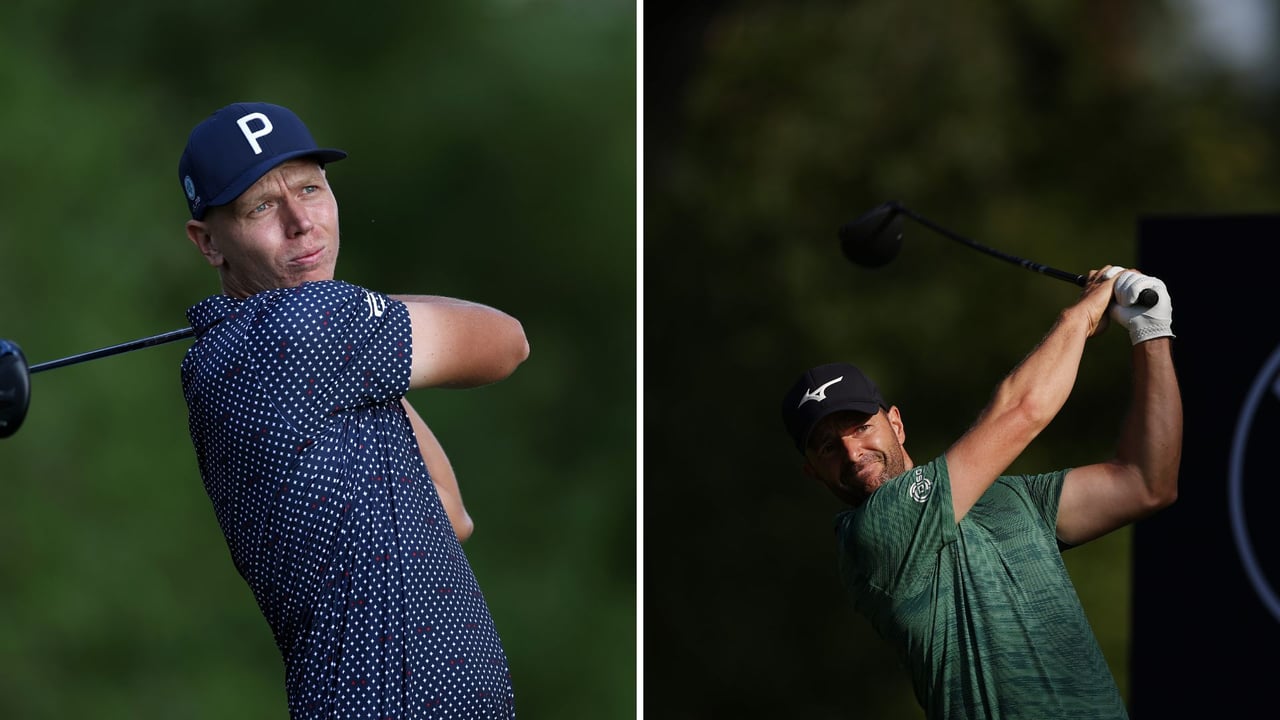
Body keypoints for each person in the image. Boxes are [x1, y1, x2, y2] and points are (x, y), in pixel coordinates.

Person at [177, 101, 529, 719]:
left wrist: (365, 338)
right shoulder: (304, 328)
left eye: (310, 189)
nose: (300, 223)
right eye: (261, 206)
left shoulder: (280, 353)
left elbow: (451, 515)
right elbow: (508, 342)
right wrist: (357, 312)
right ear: (209, 243)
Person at [780, 266, 1181, 719]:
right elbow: (1022, 411)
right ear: (813, 472)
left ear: (896, 423)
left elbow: (1147, 483)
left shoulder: (1007, 498)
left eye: (860, 428)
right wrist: (1082, 316)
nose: (853, 454)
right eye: (828, 447)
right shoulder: (871, 535)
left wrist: (1151, 332)